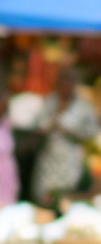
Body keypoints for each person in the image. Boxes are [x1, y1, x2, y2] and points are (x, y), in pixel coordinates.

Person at [32, 67, 99, 206]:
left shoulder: (83, 106)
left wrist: (69, 132)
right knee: (44, 199)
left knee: (65, 201)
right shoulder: (50, 101)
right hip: (48, 159)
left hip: (70, 161)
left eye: (69, 82)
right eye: (62, 82)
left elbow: (91, 134)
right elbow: (38, 126)